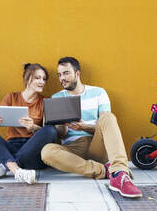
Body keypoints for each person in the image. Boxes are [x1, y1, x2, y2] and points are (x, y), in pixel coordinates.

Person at [41, 57, 142, 198]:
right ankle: (104, 171)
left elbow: (107, 126)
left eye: (66, 73)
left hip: (97, 144)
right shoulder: (57, 97)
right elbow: (61, 134)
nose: (62, 78)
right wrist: (61, 125)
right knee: (46, 152)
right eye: (59, 75)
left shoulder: (99, 93)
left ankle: (119, 172)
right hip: (73, 149)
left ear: (77, 74)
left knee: (108, 117)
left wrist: (85, 127)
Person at [0, 63, 57, 184]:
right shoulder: (11, 97)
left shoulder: (45, 102)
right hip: (10, 146)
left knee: (51, 130)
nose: (42, 81)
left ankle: (6, 165)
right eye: (38, 78)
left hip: (32, 152)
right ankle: (18, 171)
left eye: (44, 78)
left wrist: (34, 127)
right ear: (28, 78)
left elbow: (47, 134)